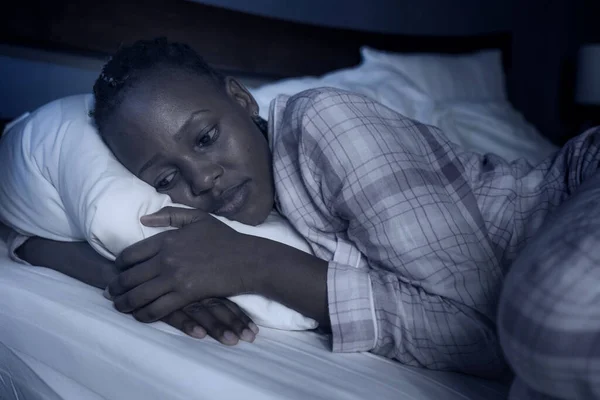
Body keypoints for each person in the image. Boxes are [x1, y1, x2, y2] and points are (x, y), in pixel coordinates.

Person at [8, 37, 600, 385]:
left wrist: (258, 266)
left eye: (206, 138)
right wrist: (44, 251)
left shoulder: (324, 124)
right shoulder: (266, 203)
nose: (203, 178)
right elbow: (32, 237)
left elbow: (488, 336)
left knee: (550, 330)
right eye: (167, 179)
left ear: (241, 102)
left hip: (576, 187)